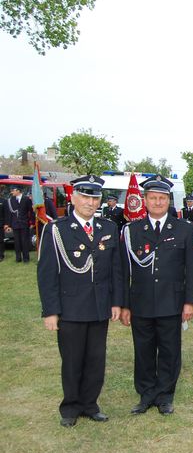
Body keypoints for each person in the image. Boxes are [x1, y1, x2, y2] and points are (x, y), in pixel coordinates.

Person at [37, 175, 123, 427]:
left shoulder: (108, 228)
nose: (90, 202)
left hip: (99, 306)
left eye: (94, 198)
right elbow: (47, 274)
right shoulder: (56, 229)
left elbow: (115, 269)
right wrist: (50, 311)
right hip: (71, 308)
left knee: (96, 359)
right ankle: (71, 407)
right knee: (73, 359)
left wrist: (116, 302)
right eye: (85, 196)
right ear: (72, 198)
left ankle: (90, 404)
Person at [120, 174, 193, 415]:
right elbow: (124, 271)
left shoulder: (184, 229)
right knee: (143, 350)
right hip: (141, 301)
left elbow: (192, 269)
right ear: (144, 200)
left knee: (169, 350)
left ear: (169, 200)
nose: (157, 202)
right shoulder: (132, 230)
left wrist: (189, 301)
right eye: (153, 198)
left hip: (171, 301)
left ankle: (165, 395)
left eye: (162, 198)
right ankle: (146, 395)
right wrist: (124, 305)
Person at [4, 186, 33, 262]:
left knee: (25, 241)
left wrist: (32, 222)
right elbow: (9, 214)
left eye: (13, 190)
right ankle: (18, 258)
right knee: (17, 242)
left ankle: (26, 258)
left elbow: (31, 211)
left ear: (18, 191)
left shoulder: (26, 199)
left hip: (24, 224)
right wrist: (9, 225)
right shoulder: (11, 200)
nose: (12, 192)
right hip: (15, 224)